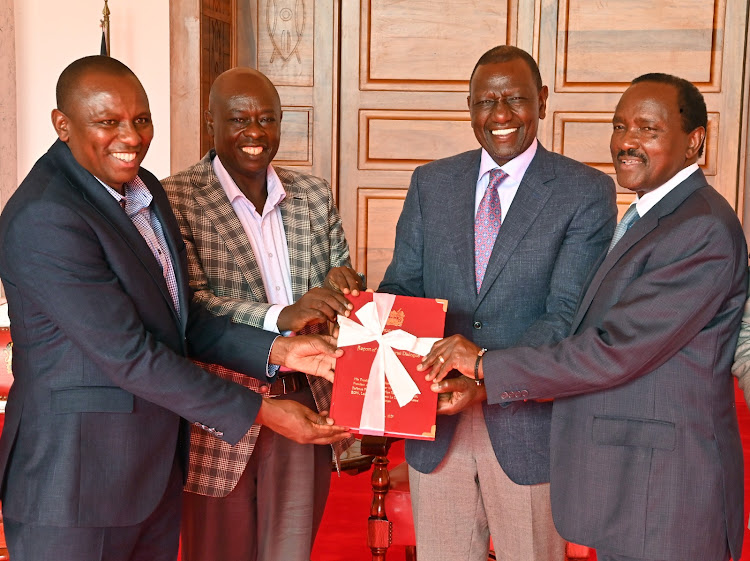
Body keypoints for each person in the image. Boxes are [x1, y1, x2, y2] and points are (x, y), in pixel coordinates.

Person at [0, 55, 351, 561]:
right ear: (62, 125)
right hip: (75, 485)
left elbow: (185, 320)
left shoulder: (145, 194)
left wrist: (285, 352)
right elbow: (131, 355)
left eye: (141, 120)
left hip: (154, 474)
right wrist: (263, 411)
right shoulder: (47, 217)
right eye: (108, 122)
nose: (132, 136)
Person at [422, 73, 747, 561]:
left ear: (693, 141)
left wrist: (486, 364)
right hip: (636, 481)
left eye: (647, 129)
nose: (627, 142)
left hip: (668, 494)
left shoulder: (699, 228)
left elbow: (614, 349)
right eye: (620, 127)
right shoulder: (653, 215)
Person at [378, 45, 617, 561]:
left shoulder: (586, 192)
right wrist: (368, 346)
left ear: (543, 102)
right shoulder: (430, 182)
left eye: (516, 99)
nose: (501, 115)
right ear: (469, 107)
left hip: (530, 429)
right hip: (434, 422)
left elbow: (567, 314)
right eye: (487, 102)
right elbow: (403, 288)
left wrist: (483, 375)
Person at [162, 67, 361, 561]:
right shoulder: (176, 198)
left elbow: (341, 276)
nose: (255, 132)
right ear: (211, 123)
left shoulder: (313, 196)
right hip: (219, 405)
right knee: (217, 552)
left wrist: (344, 287)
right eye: (239, 119)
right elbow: (190, 304)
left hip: (305, 396)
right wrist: (281, 316)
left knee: (290, 550)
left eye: (267, 119)